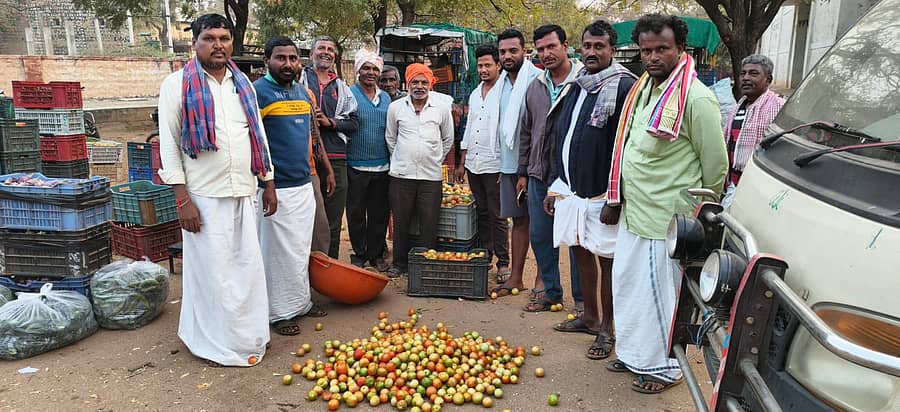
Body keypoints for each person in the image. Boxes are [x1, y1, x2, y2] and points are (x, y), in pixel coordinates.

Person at [603, 14, 728, 394]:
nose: (653, 57)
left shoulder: (696, 98)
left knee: (661, 299)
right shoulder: (644, 89)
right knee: (628, 288)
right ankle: (634, 353)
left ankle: (663, 368)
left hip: (668, 222)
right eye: (646, 50)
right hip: (635, 214)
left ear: (680, 49)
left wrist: (700, 219)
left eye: (662, 49)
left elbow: (716, 167)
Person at [156, 14, 275, 367]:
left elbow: (258, 136)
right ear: (195, 43)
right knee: (212, 273)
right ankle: (211, 342)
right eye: (210, 38)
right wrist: (182, 200)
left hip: (243, 190)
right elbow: (170, 145)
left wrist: (268, 182)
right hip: (204, 198)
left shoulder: (244, 85)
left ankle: (247, 338)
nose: (218, 44)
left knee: (247, 270)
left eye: (224, 38)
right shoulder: (177, 85)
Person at [543, 20, 637, 361]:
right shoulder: (578, 84)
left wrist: (615, 197)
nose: (592, 52)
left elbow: (626, 147)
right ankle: (590, 316)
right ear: (579, 48)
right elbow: (562, 136)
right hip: (572, 191)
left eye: (600, 46)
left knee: (607, 261)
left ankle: (608, 329)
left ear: (612, 49)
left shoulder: (625, 86)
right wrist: (555, 184)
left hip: (603, 195)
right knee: (579, 250)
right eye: (587, 46)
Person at [253, 36, 329, 336]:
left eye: (293, 58)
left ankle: (301, 303)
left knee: (299, 249)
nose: (288, 64)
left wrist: (324, 171)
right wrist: (266, 184)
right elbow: (254, 143)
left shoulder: (302, 91)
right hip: (275, 188)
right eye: (280, 58)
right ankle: (278, 312)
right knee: (275, 252)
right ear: (267, 62)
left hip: (302, 184)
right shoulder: (257, 93)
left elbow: (312, 133)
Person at [519, 24, 583, 314]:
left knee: (577, 240)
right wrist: (523, 171)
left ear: (565, 45)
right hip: (538, 174)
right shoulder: (536, 86)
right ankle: (551, 292)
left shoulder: (584, 83)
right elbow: (526, 131)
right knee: (541, 237)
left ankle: (584, 302)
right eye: (540, 49)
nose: (545, 53)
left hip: (574, 178)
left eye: (551, 47)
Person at [385, 63, 455, 277]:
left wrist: (434, 158)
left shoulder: (441, 108)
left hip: (430, 177)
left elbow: (448, 138)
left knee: (429, 222)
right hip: (401, 176)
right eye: (415, 81)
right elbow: (391, 138)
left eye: (424, 82)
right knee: (401, 221)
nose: (419, 86)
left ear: (430, 84)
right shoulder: (396, 107)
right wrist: (402, 157)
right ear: (408, 84)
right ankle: (399, 264)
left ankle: (425, 264)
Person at [492, 28, 544, 298]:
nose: (508, 56)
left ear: (525, 51)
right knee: (518, 222)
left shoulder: (537, 79)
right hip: (509, 166)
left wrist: (525, 170)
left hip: (534, 167)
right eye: (503, 52)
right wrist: (504, 167)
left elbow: (537, 129)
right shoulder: (500, 83)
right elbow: (500, 127)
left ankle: (542, 280)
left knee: (540, 224)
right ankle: (516, 277)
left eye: (513, 50)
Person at [301, 36, 359, 259]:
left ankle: (330, 269)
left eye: (330, 50)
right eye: (321, 48)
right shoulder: (299, 81)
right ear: (311, 54)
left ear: (335, 56)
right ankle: (306, 272)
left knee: (333, 222)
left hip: (335, 158)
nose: (326, 53)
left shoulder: (342, 88)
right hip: (304, 159)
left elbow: (354, 123)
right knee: (306, 220)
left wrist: (329, 123)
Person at [454, 44, 509, 279]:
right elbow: (470, 128)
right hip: (474, 163)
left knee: (498, 214)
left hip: (495, 163)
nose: (484, 69)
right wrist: (461, 161)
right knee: (482, 211)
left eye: (488, 65)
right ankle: (485, 254)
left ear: (498, 65)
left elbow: (508, 131)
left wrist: (506, 166)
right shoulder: (476, 92)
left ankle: (503, 262)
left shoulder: (506, 90)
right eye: (481, 66)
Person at [346, 50, 392, 271]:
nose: (370, 73)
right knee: (355, 213)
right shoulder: (349, 94)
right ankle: (359, 252)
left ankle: (375, 254)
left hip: (382, 165)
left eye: (375, 69)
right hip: (356, 163)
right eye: (366, 68)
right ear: (358, 71)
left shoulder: (386, 98)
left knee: (379, 213)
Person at [722, 54, 785, 207]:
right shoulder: (738, 108)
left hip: (758, 188)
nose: (746, 78)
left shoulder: (778, 107)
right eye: (743, 73)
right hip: (733, 184)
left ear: (768, 80)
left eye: (754, 73)